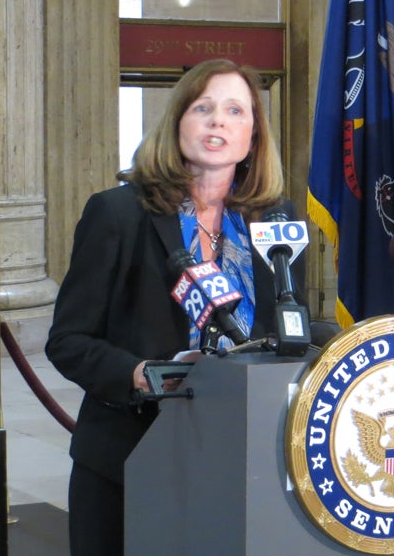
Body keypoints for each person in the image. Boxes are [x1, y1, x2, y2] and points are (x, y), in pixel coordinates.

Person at [45, 58, 304, 555]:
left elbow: (281, 327)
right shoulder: (118, 213)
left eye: (235, 111)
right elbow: (68, 342)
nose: (218, 122)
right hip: (132, 452)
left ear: (253, 134)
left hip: (240, 454)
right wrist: (141, 373)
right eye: (203, 108)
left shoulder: (275, 220)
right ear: (178, 122)